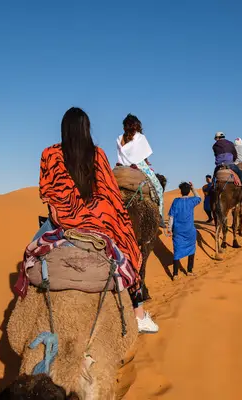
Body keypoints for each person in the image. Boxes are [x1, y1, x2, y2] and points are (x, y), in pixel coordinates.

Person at [39, 107, 158, 334]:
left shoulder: (49, 154)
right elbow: (110, 194)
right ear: (87, 129)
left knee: (31, 255)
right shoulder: (98, 154)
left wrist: (64, 211)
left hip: (62, 221)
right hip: (96, 220)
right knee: (130, 248)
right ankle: (139, 314)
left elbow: (47, 192)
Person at [116, 114, 165, 227]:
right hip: (139, 165)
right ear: (136, 125)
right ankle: (160, 216)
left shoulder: (119, 138)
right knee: (158, 187)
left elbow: (121, 154)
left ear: (125, 127)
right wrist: (146, 162)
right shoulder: (139, 136)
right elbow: (142, 154)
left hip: (121, 166)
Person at [167, 182, 201, 280]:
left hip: (178, 231)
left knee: (177, 251)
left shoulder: (176, 201)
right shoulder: (192, 200)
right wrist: (193, 188)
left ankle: (175, 274)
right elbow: (199, 197)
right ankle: (189, 271)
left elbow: (171, 217)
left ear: (181, 191)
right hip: (190, 230)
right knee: (191, 249)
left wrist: (169, 229)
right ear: (189, 191)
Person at [212, 131, 242, 199]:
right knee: (241, 174)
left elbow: (216, 155)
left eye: (215, 138)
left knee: (214, 177)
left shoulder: (214, 146)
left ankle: (212, 189)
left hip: (219, 165)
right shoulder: (230, 143)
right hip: (230, 164)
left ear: (217, 138)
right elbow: (234, 154)